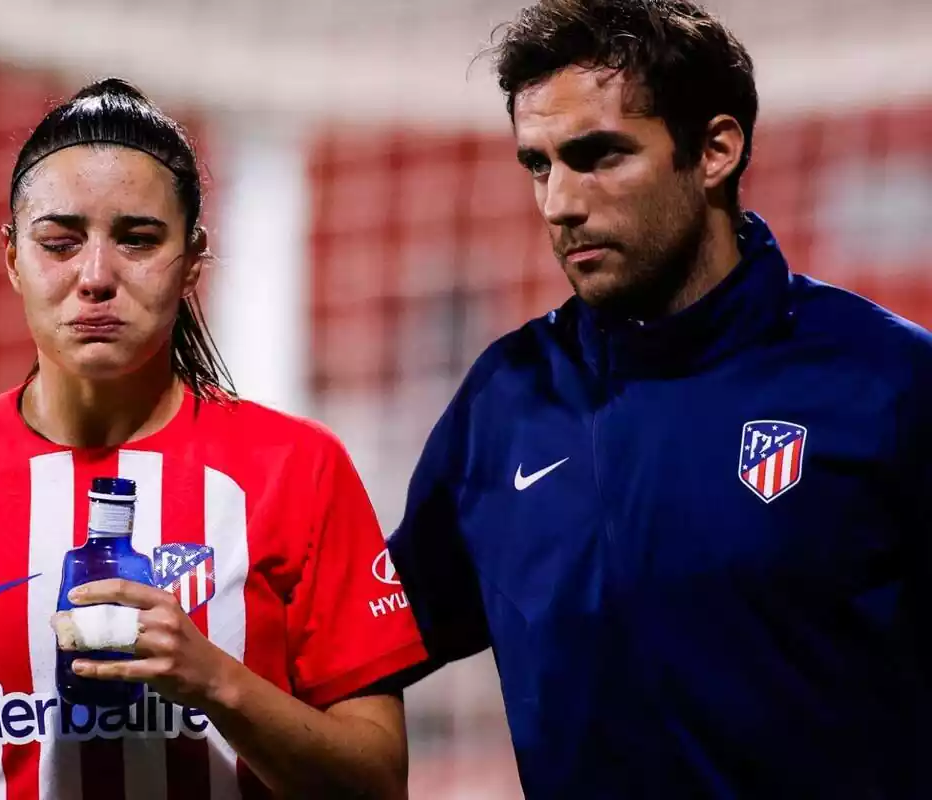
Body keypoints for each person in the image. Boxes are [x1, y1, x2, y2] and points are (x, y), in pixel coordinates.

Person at [0, 78, 426, 800]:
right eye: (60, 242)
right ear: (13, 258)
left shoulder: (295, 469)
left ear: (193, 259)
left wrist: (215, 682)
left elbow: (379, 783)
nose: (96, 277)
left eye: (138, 240)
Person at [383, 0, 932, 796]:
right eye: (538, 164)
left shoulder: (889, 382)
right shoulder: (506, 402)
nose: (558, 203)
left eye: (599, 156)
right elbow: (368, 646)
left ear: (713, 151)